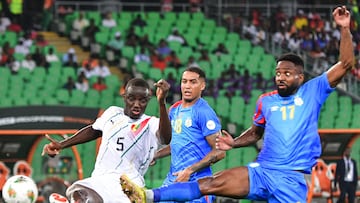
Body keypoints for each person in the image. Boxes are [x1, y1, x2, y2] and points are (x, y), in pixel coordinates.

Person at [120, 6, 355, 203]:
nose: (280, 77)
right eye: (278, 73)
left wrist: (344, 28)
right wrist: (234, 142)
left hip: (291, 179)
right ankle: (148, 195)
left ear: (300, 77)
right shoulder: (266, 101)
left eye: (287, 73)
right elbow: (254, 133)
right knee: (209, 184)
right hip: (262, 172)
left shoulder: (312, 91)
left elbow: (345, 63)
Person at [42, 78, 172, 203]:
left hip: (127, 184)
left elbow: (166, 138)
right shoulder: (112, 113)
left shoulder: (151, 123)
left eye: (142, 101)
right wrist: (62, 145)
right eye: (132, 99)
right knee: (75, 191)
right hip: (101, 178)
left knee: (90, 200)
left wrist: (161, 103)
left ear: (148, 100)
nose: (137, 104)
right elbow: (93, 130)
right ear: (125, 97)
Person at [130, 66, 225, 203]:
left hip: (198, 184)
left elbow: (220, 151)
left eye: (193, 82)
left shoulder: (204, 112)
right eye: (184, 81)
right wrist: (155, 155)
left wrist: (189, 171)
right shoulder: (174, 109)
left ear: (202, 85)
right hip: (174, 179)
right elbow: (176, 143)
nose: (187, 86)